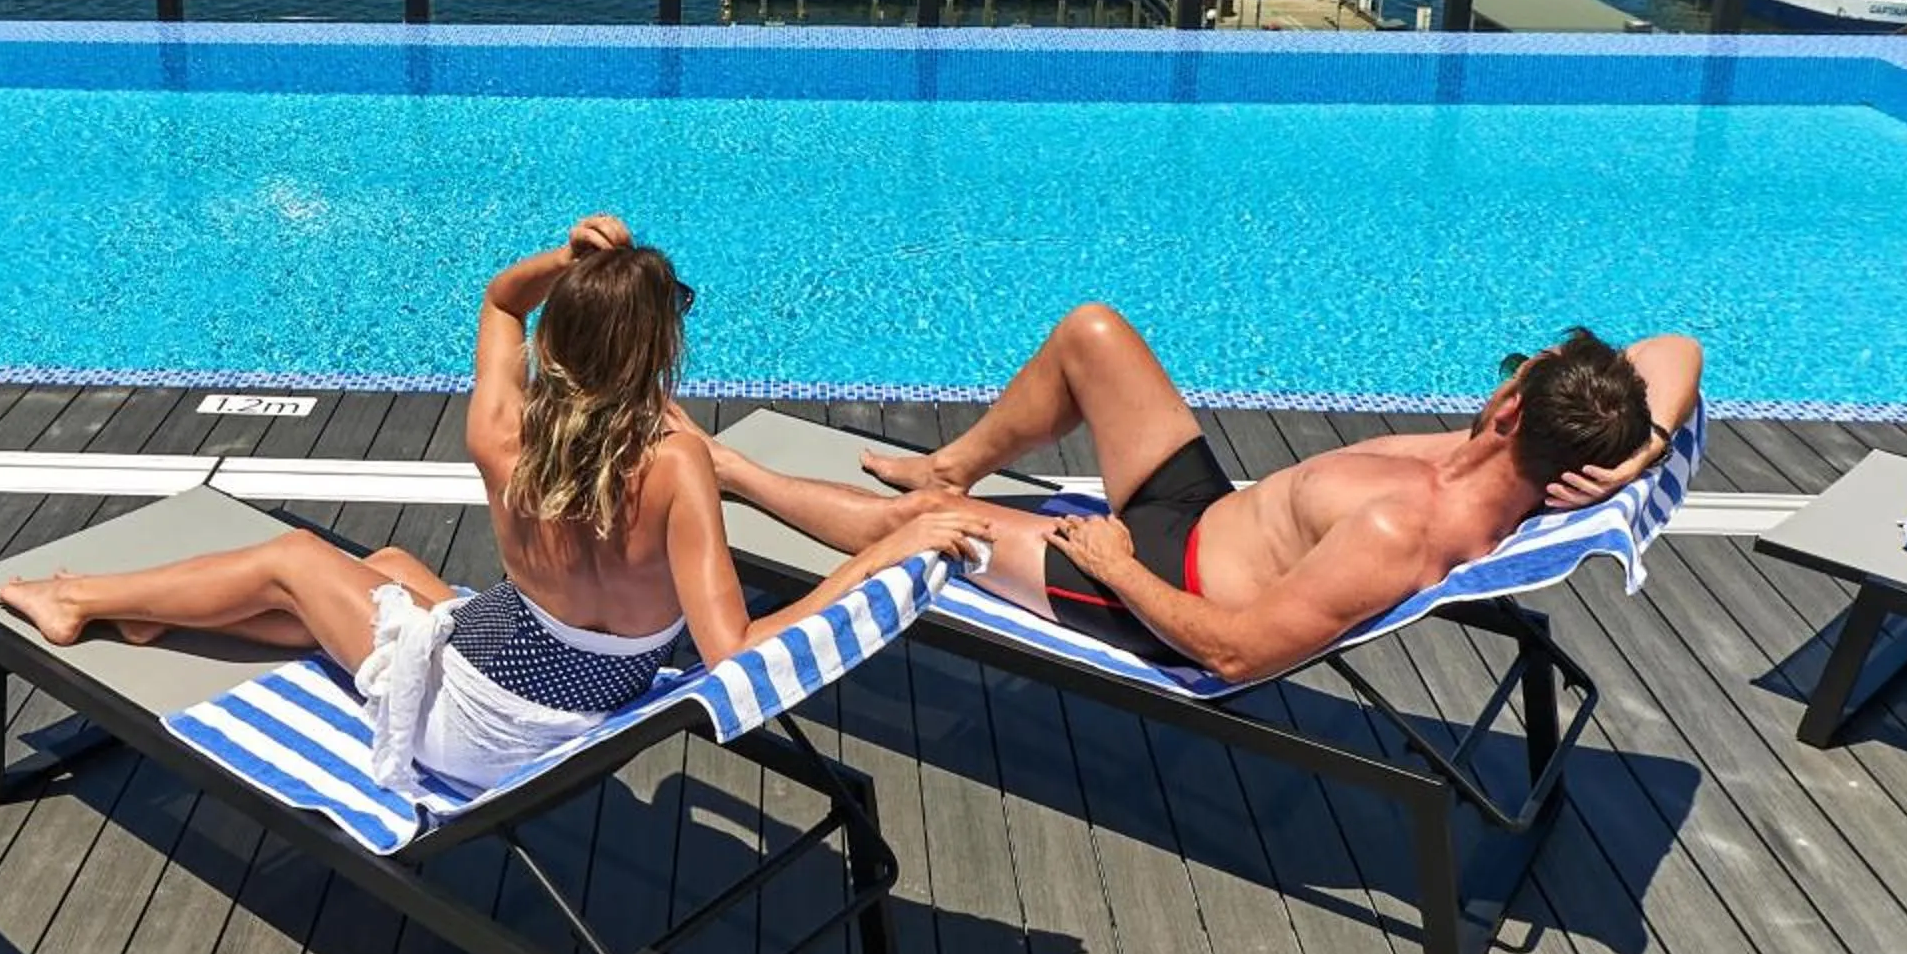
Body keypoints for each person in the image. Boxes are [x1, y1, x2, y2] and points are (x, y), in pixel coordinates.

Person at [0, 215, 985, 788]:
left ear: (560, 349)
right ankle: (146, 618)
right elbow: (733, 653)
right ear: (656, 352)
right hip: (569, 707)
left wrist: (565, 264)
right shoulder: (679, 465)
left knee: (297, 562)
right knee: (387, 571)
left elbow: (501, 300)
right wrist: (877, 564)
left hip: (470, 728)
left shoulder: (502, 438)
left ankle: (78, 598)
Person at [693, 303, 1701, 685]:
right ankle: (954, 459)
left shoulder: (1413, 526)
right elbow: (1678, 344)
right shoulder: (1495, 451)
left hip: (1162, 587)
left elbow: (1232, 651)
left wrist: (1120, 570)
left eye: (1513, 377)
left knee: (929, 530)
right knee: (1094, 335)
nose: (1502, 377)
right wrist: (1645, 446)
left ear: (1515, 413)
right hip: (1202, 511)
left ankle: (731, 471)